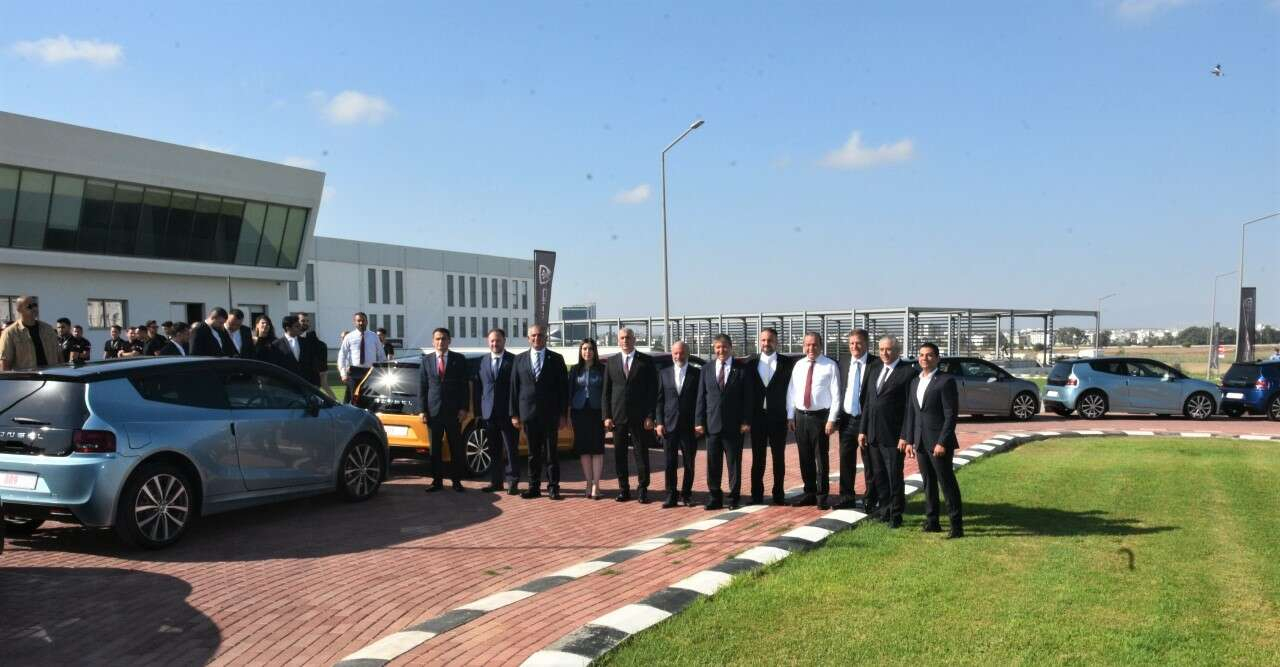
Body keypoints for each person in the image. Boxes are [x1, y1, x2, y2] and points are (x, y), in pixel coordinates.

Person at [900, 342, 963, 538]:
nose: (924, 358)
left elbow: (951, 415)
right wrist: (909, 440)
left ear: (937, 358)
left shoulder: (945, 381)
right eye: (921, 355)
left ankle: (956, 526)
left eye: (929, 355)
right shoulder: (915, 382)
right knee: (928, 483)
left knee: (947, 483)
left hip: (938, 443)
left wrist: (942, 442)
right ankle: (932, 521)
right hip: (920, 441)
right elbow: (911, 413)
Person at [858, 335, 916, 528]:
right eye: (881, 349)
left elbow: (909, 408)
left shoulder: (907, 373)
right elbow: (868, 403)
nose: (885, 353)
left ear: (897, 350)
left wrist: (905, 436)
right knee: (879, 475)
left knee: (894, 476)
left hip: (894, 436)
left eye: (889, 349)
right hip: (873, 434)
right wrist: (863, 430)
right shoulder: (875, 370)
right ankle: (884, 511)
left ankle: (896, 514)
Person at [509, 323, 569, 500]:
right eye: (533, 336)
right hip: (528, 414)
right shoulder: (519, 359)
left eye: (540, 335)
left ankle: (553, 487)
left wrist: (563, 415)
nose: (537, 338)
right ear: (528, 338)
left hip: (550, 414)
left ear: (546, 338)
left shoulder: (556, 359)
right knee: (532, 454)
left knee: (551, 454)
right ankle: (533, 487)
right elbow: (514, 388)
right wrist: (514, 414)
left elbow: (563, 389)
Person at [602, 327, 660, 503]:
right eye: (622, 338)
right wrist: (607, 416)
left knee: (641, 454)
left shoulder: (646, 361)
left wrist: (650, 416)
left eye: (628, 337)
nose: (625, 341)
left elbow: (653, 391)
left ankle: (642, 489)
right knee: (619, 455)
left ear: (634, 339)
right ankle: (623, 489)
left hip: (640, 417)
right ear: (618, 340)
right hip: (617, 416)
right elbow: (606, 392)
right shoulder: (611, 362)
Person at [786, 332, 842, 509]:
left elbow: (836, 395)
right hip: (801, 417)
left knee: (821, 458)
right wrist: (790, 415)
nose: (810, 348)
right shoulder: (799, 365)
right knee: (805, 458)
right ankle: (809, 493)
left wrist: (832, 419)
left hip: (820, 418)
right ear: (803, 346)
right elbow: (791, 392)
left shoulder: (830, 365)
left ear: (820, 345)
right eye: (807, 345)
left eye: (814, 344)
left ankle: (822, 495)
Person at [695, 334, 750, 510]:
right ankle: (715, 497)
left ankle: (734, 498)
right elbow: (701, 397)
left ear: (731, 347)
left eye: (724, 346)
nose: (721, 350)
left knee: (734, 464)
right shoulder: (706, 369)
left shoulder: (741, 369)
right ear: (714, 348)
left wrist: (745, 421)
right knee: (713, 464)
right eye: (718, 347)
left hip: (734, 426)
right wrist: (699, 421)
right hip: (712, 425)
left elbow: (748, 398)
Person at [744, 327, 794, 506]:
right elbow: (746, 394)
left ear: (776, 342)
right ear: (760, 342)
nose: (766, 343)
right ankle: (756, 495)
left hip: (778, 417)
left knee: (778, 458)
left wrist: (790, 416)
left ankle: (778, 494)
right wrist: (746, 419)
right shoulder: (750, 363)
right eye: (763, 340)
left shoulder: (787, 363)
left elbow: (791, 391)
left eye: (770, 340)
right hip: (757, 418)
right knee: (758, 458)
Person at [419, 327, 469, 492]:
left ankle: (457, 481)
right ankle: (437, 481)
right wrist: (422, 410)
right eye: (438, 339)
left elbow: (464, 386)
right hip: (433, 412)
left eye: (444, 339)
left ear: (449, 341)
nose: (441, 342)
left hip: (454, 412)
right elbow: (422, 387)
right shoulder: (426, 361)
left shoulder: (459, 359)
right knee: (435, 449)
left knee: (456, 448)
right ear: (433, 341)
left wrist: (464, 408)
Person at [835, 329, 877, 510]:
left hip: (866, 420)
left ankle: (870, 498)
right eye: (851, 343)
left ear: (866, 343)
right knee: (845, 460)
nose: (854, 346)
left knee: (869, 461)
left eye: (858, 343)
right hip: (846, 420)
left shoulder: (876, 363)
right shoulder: (843, 362)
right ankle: (846, 497)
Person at [473, 328, 519, 494]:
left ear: (504, 341)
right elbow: (478, 388)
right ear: (488, 342)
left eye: (498, 340)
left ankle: (512, 482)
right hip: (488, 413)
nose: (495, 343)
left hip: (508, 413)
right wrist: (478, 413)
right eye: (492, 340)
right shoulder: (482, 361)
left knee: (511, 449)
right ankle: (496, 482)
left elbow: (518, 389)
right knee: (493, 449)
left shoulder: (514, 360)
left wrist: (516, 413)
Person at [655, 340, 700, 508]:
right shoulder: (664, 373)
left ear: (687, 354)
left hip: (689, 426)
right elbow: (659, 400)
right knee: (669, 463)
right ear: (672, 354)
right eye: (675, 353)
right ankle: (671, 495)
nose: (678, 356)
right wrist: (659, 422)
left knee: (689, 463)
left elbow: (700, 401)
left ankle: (686, 495)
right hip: (669, 425)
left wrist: (699, 423)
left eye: (681, 353)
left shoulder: (697, 373)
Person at [569, 338, 607, 499]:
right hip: (579, 412)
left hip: (597, 412)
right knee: (584, 449)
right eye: (584, 349)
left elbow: (606, 393)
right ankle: (588, 483)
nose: (587, 352)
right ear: (580, 351)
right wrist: (567, 414)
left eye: (590, 349)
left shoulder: (602, 369)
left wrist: (607, 416)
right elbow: (569, 392)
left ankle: (596, 485)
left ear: (595, 351)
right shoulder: (574, 370)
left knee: (597, 449)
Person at [0, 296, 62, 371]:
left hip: (51, 376)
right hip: (26, 378)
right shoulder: (10, 333)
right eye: (29, 306)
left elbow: (59, 355)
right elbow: (5, 363)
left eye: (35, 305)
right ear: (19, 309)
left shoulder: (48, 329)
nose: (34, 309)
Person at [337, 313, 385, 404]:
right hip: (354, 372)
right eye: (358, 321)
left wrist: (382, 371)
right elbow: (342, 355)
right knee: (355, 400)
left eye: (363, 320)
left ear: (367, 322)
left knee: (370, 400)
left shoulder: (374, 336)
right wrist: (343, 373)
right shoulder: (349, 337)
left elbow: (381, 355)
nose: (361, 323)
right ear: (354, 322)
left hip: (370, 372)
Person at [296, 313, 331, 392]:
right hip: (295, 379)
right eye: (303, 321)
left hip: (311, 380)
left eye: (307, 321)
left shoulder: (314, 340)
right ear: (296, 322)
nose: (305, 323)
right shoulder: (291, 340)